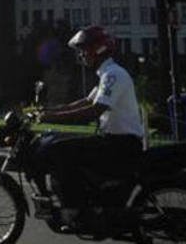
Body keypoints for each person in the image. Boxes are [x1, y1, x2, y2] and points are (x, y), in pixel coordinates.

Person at [37, 26, 144, 227]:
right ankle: (87, 202)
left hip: (121, 144)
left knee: (60, 151)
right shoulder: (106, 75)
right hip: (116, 141)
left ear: (98, 50)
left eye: (84, 50)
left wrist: (54, 118)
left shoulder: (113, 75)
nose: (81, 54)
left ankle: (73, 209)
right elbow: (84, 102)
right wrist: (49, 112)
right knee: (66, 146)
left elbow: (95, 110)